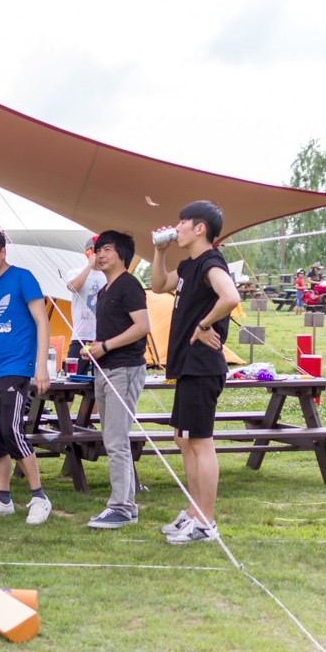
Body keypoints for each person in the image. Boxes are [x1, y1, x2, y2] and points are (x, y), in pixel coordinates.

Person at [150, 201, 241, 545]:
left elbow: (230, 296)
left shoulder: (210, 262)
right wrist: (159, 252)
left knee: (200, 442)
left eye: (182, 221)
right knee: (183, 438)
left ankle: (205, 522)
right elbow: (159, 286)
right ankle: (193, 512)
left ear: (199, 228)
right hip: (189, 365)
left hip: (202, 365)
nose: (178, 226)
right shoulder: (189, 266)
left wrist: (204, 325)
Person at [0, 226, 53, 525]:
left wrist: (41, 366)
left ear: (3, 252)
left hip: (16, 368)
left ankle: (39, 497)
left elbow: (42, 322)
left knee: (11, 430)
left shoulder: (23, 278)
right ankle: (3, 499)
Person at [83, 231, 150, 529]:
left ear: (122, 254)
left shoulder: (129, 285)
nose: (100, 255)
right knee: (112, 439)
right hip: (105, 368)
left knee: (116, 439)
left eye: (107, 249)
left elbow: (142, 326)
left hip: (124, 369)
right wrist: (95, 349)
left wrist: (107, 346)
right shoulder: (104, 290)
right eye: (98, 250)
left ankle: (121, 507)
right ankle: (127, 505)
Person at [65, 236, 105, 377]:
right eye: (97, 250)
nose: (100, 254)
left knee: (98, 384)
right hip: (80, 336)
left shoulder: (108, 275)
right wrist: (89, 266)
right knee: (71, 379)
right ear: (88, 252)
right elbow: (74, 287)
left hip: (101, 338)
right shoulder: (75, 273)